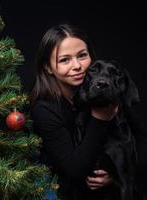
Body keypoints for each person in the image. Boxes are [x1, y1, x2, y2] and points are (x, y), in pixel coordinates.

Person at [30, 23, 127, 200]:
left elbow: (123, 141)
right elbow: (75, 168)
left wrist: (113, 172)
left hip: (83, 183)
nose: (77, 66)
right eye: (64, 60)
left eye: (82, 56)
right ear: (48, 67)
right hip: (50, 179)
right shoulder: (43, 109)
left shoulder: (101, 92)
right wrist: (99, 119)